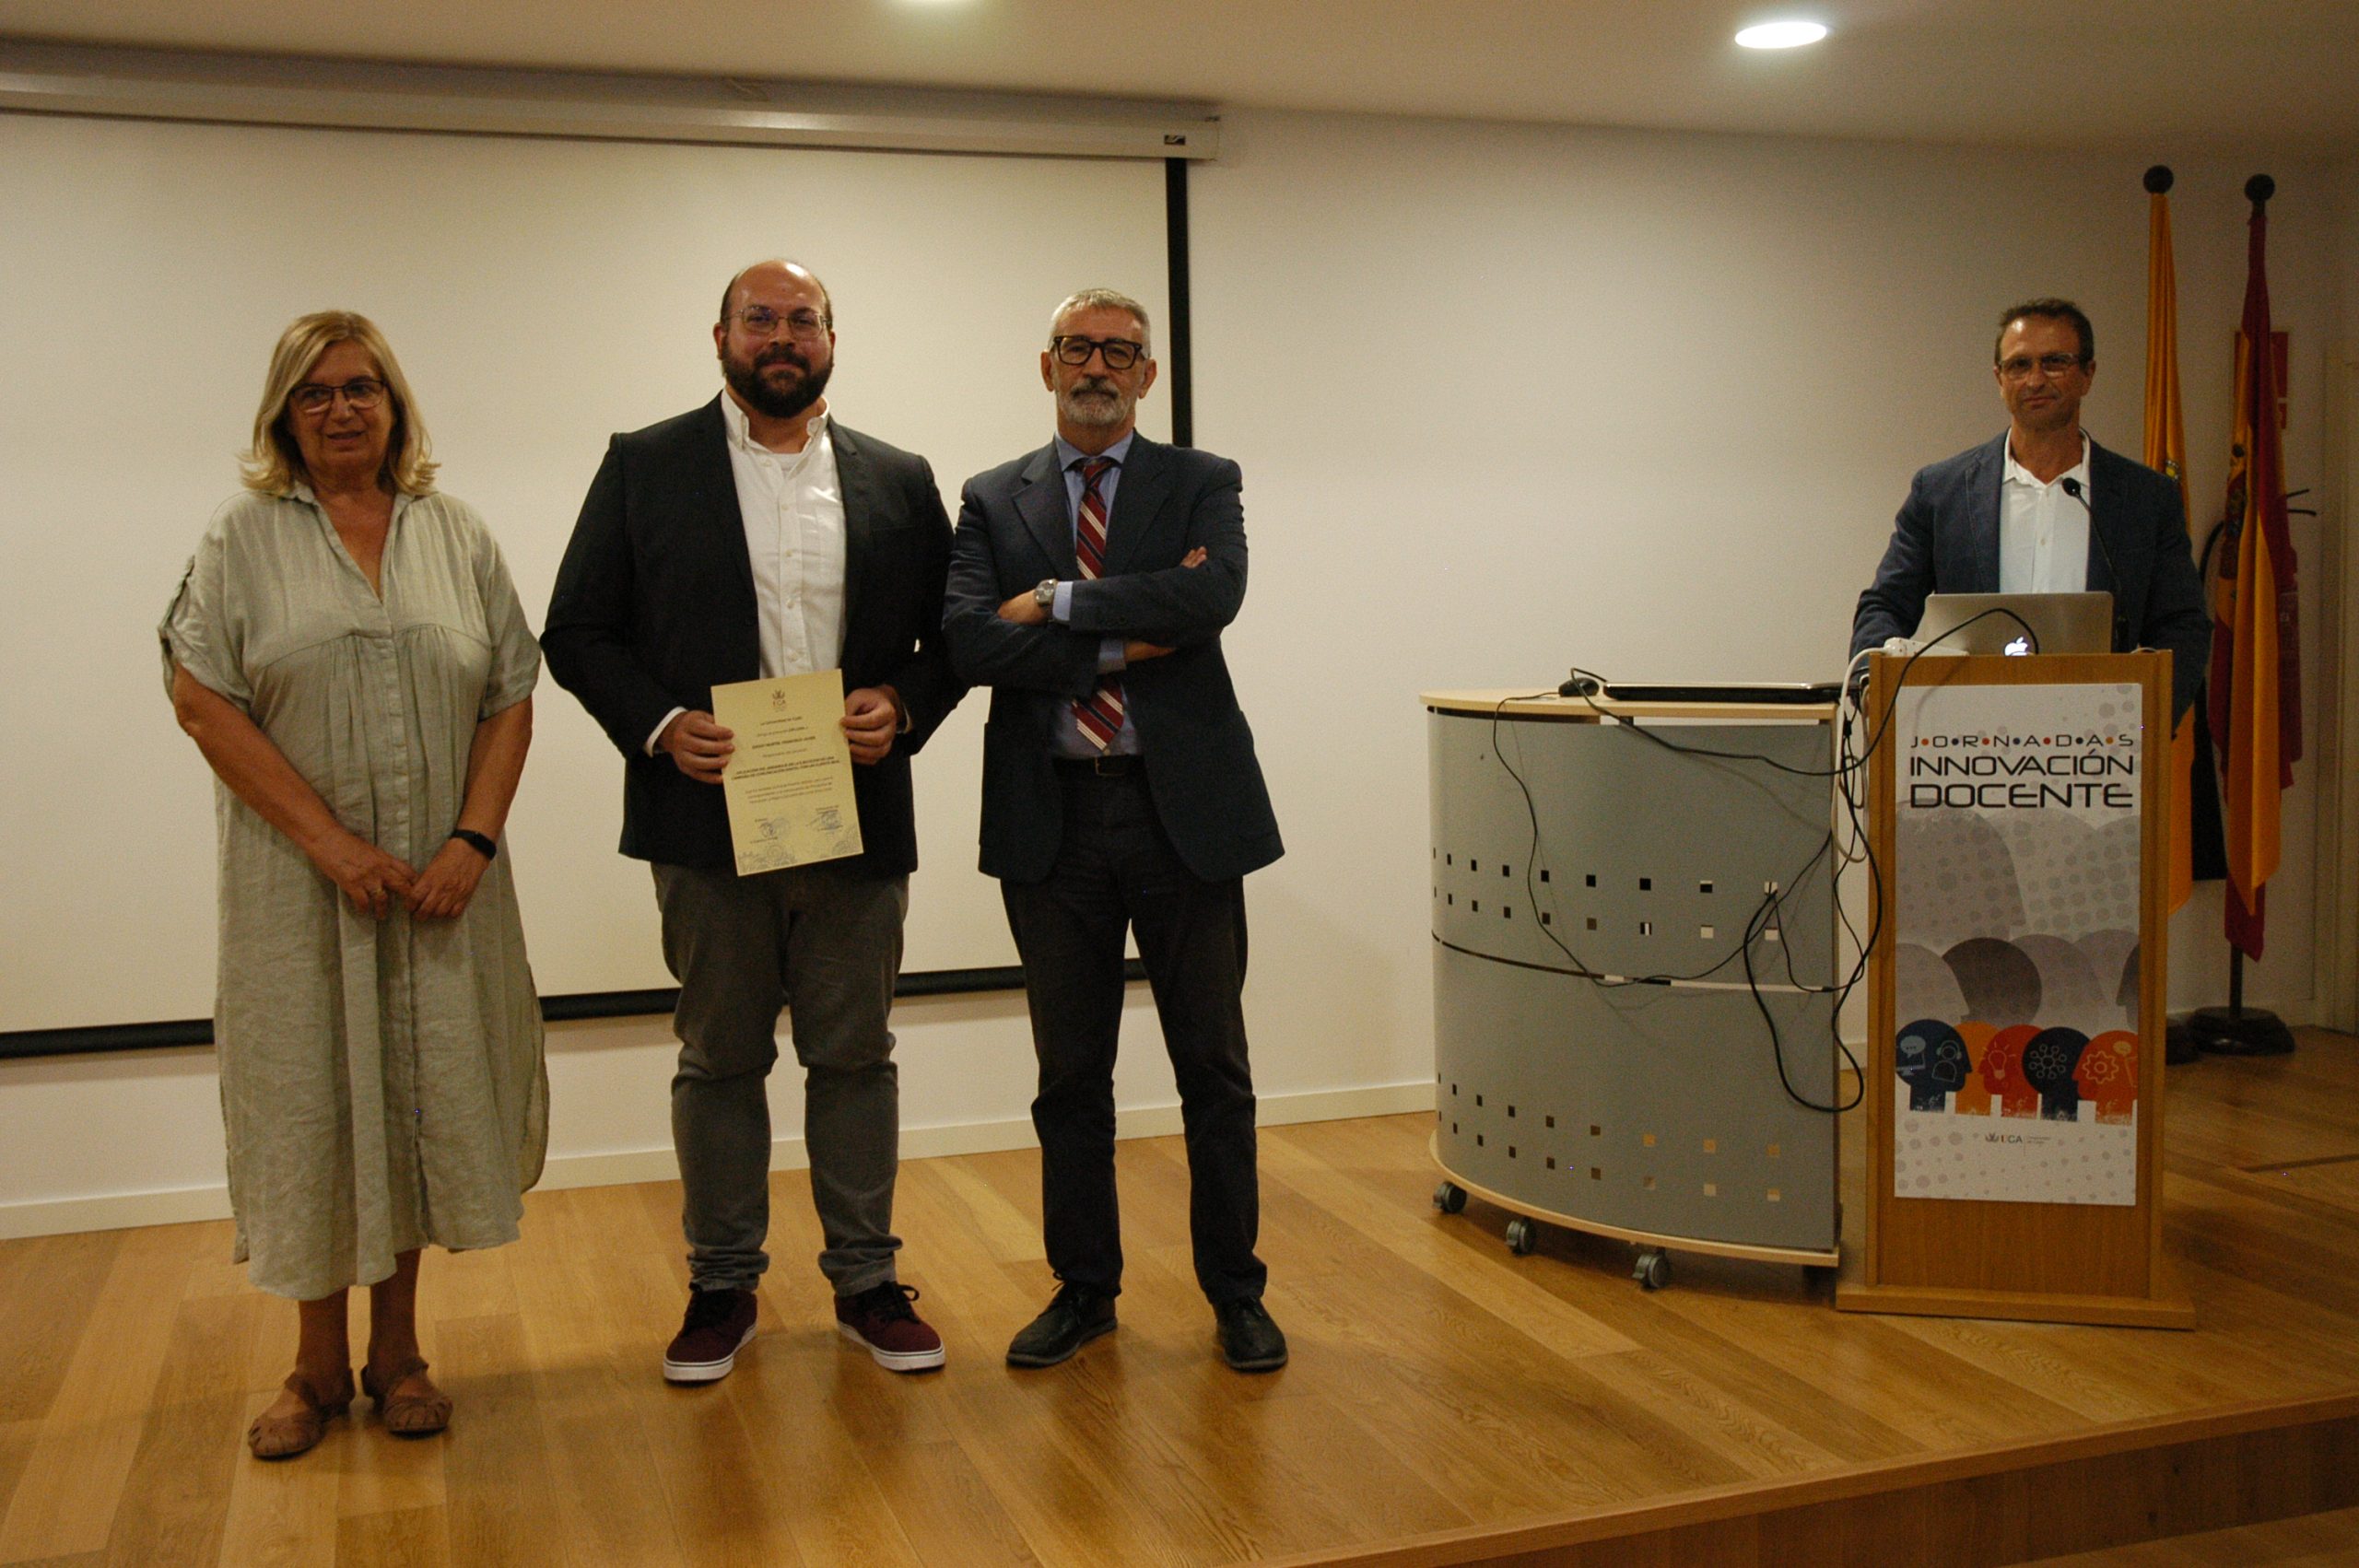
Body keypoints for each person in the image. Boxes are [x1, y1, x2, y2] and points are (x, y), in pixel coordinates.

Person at [543, 260, 963, 1383]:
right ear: (721, 335)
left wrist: (904, 702)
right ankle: (722, 1286)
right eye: (760, 319)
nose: (782, 337)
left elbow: (952, 635)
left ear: (832, 338)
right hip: (705, 815)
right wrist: (660, 724)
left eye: (802, 320)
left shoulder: (898, 478)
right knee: (720, 1058)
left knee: (854, 1056)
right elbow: (576, 631)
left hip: (853, 816)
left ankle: (866, 1283)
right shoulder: (645, 465)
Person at [161, 310, 546, 1459]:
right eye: (316, 391)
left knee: (418, 1096)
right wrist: (332, 844)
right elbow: (202, 702)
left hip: (440, 891)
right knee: (313, 1108)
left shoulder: (456, 533)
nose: (341, 409)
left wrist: (472, 841)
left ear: (394, 404)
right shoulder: (241, 538)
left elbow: (511, 694)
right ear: (285, 413)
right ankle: (313, 1365)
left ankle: (399, 1354)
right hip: (301, 894)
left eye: (361, 388)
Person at [944, 287, 1288, 1373]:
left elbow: (1213, 598)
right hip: (1053, 818)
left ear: (1147, 374)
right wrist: (1130, 635)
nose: (1098, 366)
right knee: (1069, 1076)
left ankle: (1235, 1292)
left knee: (1213, 1069)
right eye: (1079, 348)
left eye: (1120, 352)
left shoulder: (1201, 480)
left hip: (1181, 813)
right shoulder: (991, 497)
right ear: (1046, 364)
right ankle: (1084, 1290)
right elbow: (967, 642)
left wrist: (1052, 602)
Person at [1851, 298, 2211, 718]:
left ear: (2088, 374)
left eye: (2054, 362)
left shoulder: (2145, 498)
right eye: (2019, 365)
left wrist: (2149, 717)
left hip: (2100, 734)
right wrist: (1873, 686)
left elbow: (2183, 624)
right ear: (1999, 379)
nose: (2035, 380)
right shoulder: (1942, 492)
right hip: (1965, 732)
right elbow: (1885, 606)